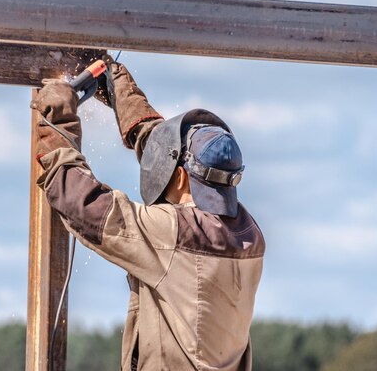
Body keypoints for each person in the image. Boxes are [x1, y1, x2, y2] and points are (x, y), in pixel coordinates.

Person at [31, 55, 265, 371]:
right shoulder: (247, 234)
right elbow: (165, 151)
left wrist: (57, 119)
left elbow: (81, 202)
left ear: (180, 177)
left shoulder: (176, 235)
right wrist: (120, 90)